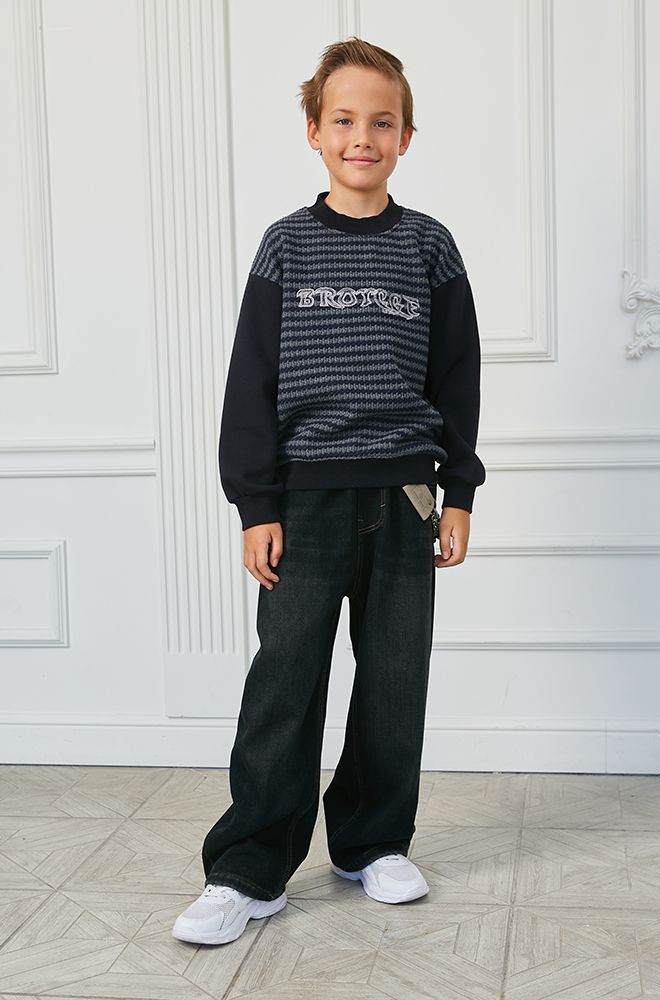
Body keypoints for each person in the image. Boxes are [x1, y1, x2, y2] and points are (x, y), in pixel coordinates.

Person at [172, 37, 485, 946]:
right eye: (344, 120)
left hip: (405, 498)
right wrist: (256, 506)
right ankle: (248, 867)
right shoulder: (286, 245)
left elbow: (458, 379)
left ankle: (372, 841)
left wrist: (458, 492)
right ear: (314, 132)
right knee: (285, 681)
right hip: (303, 502)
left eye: (382, 122)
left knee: (393, 680)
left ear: (406, 137)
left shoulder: (430, 247)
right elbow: (250, 385)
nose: (363, 138)